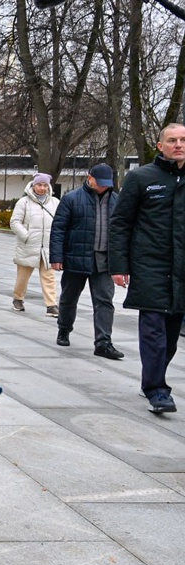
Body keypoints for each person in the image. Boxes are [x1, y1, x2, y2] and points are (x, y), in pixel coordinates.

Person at [109, 123, 185, 414]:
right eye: (172, 140)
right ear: (160, 145)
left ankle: (152, 377)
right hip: (150, 266)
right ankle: (157, 390)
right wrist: (119, 265)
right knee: (153, 331)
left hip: (181, 270)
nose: (178, 145)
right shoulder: (141, 178)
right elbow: (120, 223)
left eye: (183, 140)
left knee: (171, 334)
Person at [49, 163, 123, 360]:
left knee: (104, 301)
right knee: (69, 297)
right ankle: (64, 329)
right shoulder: (71, 199)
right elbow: (58, 229)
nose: (103, 186)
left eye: (106, 183)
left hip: (104, 261)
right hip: (76, 257)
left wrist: (123, 263)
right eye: (100, 182)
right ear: (90, 178)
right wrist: (56, 257)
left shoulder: (116, 201)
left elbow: (123, 232)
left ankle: (103, 343)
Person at [10, 172, 59, 316]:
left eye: (45, 185)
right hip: (28, 246)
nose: (42, 188)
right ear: (33, 185)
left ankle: (51, 305)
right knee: (23, 277)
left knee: (49, 277)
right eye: (39, 185)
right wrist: (26, 236)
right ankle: (18, 299)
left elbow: (60, 222)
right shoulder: (23, 202)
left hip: (48, 247)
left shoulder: (55, 202)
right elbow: (15, 222)